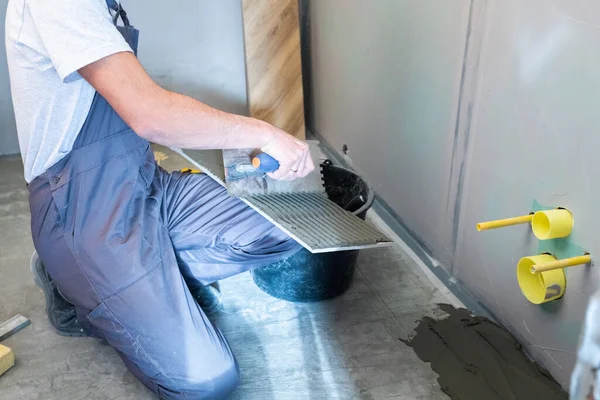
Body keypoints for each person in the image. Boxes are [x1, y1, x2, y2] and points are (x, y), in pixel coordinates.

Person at [5, 0, 314, 398]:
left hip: (145, 184)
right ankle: (73, 285)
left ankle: (144, 286)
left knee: (286, 224)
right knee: (206, 381)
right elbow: (149, 113)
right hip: (84, 216)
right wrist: (263, 133)